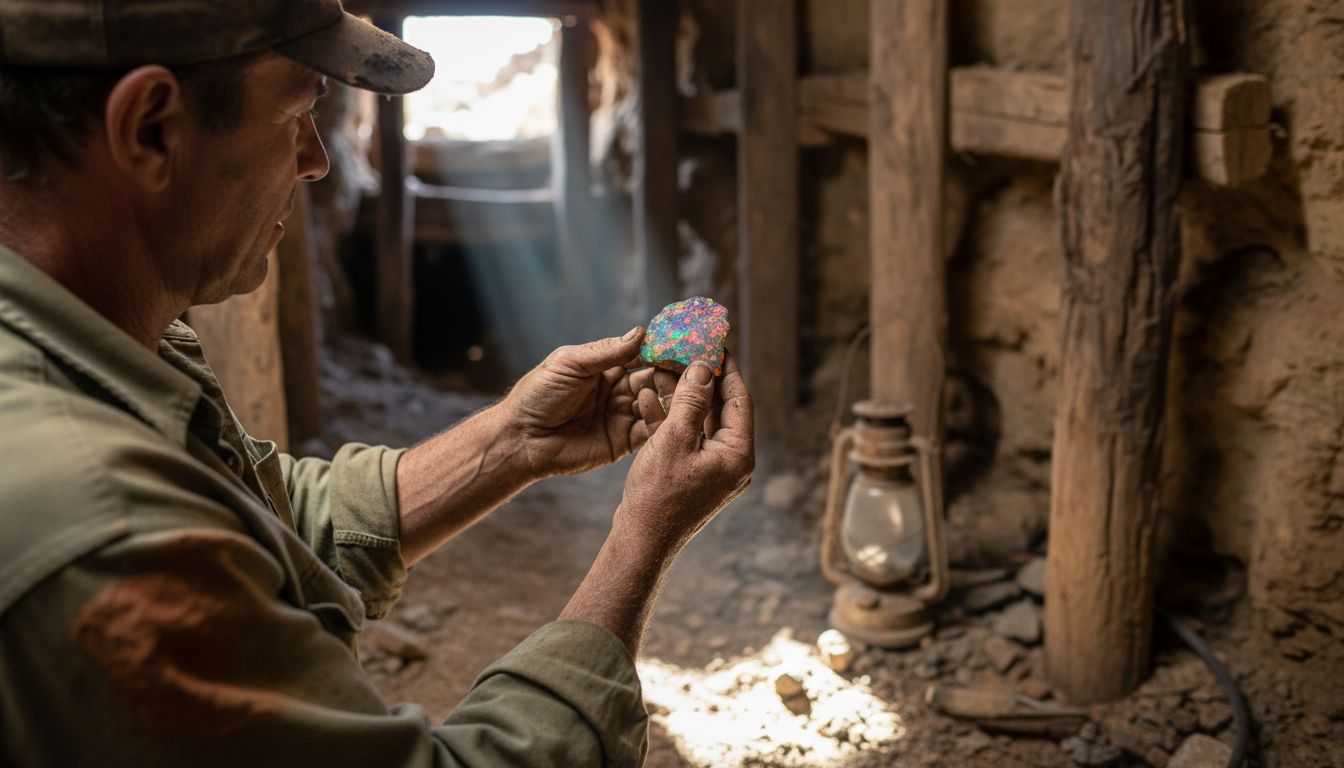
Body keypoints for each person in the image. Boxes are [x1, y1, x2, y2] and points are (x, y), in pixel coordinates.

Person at [0, 2, 755, 766]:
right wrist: (643, 538)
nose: (318, 159)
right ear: (152, 128)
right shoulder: (104, 532)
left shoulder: (75, 336)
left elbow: (257, 522)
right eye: (297, 111)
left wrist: (512, 443)